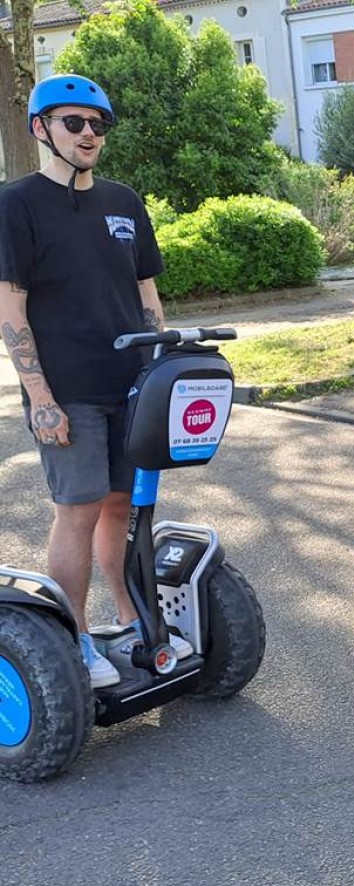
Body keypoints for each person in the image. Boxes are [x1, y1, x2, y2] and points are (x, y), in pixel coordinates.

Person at [0, 73, 191, 689]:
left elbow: (146, 295)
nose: (89, 134)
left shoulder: (123, 201)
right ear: (41, 128)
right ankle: (75, 639)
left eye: (98, 125)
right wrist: (41, 399)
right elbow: (10, 307)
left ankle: (134, 621)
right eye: (74, 123)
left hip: (132, 386)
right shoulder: (16, 204)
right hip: (69, 389)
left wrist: (161, 366)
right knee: (78, 511)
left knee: (123, 509)